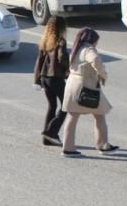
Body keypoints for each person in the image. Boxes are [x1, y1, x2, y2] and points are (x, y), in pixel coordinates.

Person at [61, 27, 117, 156]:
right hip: (86, 86)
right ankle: (103, 144)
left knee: (72, 116)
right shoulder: (88, 49)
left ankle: (68, 147)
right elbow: (96, 60)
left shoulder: (76, 48)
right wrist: (103, 74)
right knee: (100, 114)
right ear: (92, 40)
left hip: (72, 84)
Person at [33, 16, 70, 147]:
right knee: (66, 106)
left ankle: (46, 139)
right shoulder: (60, 41)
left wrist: (37, 80)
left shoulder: (44, 40)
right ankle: (51, 132)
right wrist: (68, 68)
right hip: (56, 77)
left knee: (52, 106)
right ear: (61, 27)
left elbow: (39, 62)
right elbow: (62, 57)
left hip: (44, 78)